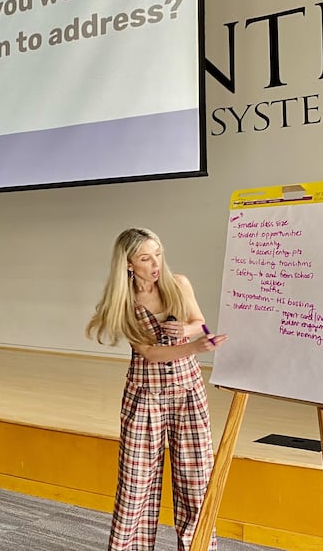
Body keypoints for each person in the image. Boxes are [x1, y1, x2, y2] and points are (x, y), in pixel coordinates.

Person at [86, 228, 228, 551]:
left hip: (188, 393)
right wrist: (193, 347)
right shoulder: (124, 303)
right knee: (136, 488)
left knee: (196, 482)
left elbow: (199, 321)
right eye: (146, 258)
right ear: (128, 264)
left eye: (158, 255)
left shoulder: (179, 283)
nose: (155, 264)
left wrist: (188, 330)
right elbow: (150, 353)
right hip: (145, 397)